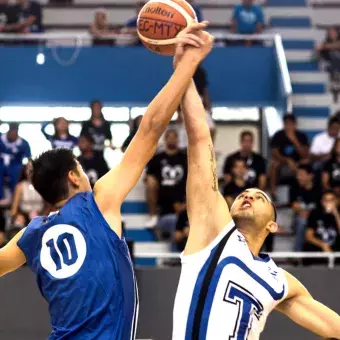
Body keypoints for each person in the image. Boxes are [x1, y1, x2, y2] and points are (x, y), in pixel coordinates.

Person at [0, 22, 214, 339]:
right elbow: (151, 128)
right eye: (81, 169)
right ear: (74, 177)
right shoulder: (98, 202)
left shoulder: (32, 233)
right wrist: (188, 65)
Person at [171, 35, 340, 338]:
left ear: (274, 225)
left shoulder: (279, 281)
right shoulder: (212, 232)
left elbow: (334, 327)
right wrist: (186, 69)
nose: (248, 194)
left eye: (260, 196)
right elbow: (199, 141)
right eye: (243, 194)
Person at [145, 129, 187, 235]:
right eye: (170, 137)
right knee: (150, 181)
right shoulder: (158, 158)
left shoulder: (184, 158)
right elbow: (147, 176)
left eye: (174, 137)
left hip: (182, 197)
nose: (172, 140)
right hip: (163, 196)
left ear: (178, 140)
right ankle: (153, 215)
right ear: (165, 139)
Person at [268, 114, 309, 198]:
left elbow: (305, 155)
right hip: (282, 161)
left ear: (295, 124)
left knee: (305, 165)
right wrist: (287, 160)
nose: (288, 126)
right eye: (286, 124)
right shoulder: (278, 135)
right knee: (274, 165)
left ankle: (302, 193)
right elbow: (274, 153)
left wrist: (295, 141)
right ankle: (273, 192)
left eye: (290, 124)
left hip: (298, 162)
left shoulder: (301, 136)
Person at [290, 164, 320, 251]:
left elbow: (320, 209)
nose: (299, 177)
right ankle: (297, 254)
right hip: (298, 219)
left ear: (310, 176)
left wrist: (309, 213)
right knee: (302, 221)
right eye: (298, 175)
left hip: (315, 220)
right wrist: (303, 211)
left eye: (302, 174)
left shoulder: (318, 190)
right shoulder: (295, 188)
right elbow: (295, 206)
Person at [305, 190, 340, 263]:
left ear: (337, 201)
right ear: (322, 202)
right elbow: (308, 236)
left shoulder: (338, 214)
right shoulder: (315, 213)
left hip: (335, 248)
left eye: (331, 200)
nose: (328, 203)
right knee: (308, 247)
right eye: (326, 200)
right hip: (319, 246)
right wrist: (323, 245)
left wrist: (336, 214)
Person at [1, 123, 31, 191]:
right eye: (11, 131)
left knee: (17, 171)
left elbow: (28, 157)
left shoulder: (23, 143)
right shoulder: (1, 139)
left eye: (15, 132)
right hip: (1, 163)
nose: (13, 134)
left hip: (15, 165)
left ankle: (15, 195)